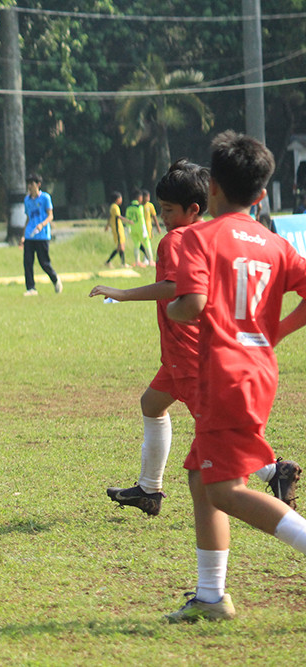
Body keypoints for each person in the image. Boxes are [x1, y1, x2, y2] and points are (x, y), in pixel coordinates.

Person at [90, 159, 300, 518]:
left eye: (168, 210)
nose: (164, 217)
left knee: (215, 431)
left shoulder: (176, 239)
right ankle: (148, 488)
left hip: (188, 353)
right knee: (151, 405)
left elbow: (173, 287)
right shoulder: (207, 236)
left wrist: (123, 293)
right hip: (180, 353)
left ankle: (272, 470)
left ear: (194, 209)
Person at [164, 130, 306, 622]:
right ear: (262, 195)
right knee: (199, 477)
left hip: (223, 375)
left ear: (213, 189)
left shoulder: (197, 237)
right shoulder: (274, 244)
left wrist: (176, 309)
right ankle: (210, 597)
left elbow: (192, 305)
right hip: (257, 371)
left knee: (224, 488)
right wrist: (276, 332)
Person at [21, 173, 62, 296]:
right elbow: (28, 218)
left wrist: (42, 225)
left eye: (32, 184)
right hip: (30, 235)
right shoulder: (27, 200)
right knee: (27, 262)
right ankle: (31, 288)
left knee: (43, 262)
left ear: (38, 185)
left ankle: (55, 279)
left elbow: (50, 216)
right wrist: (23, 235)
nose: (29, 186)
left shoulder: (45, 198)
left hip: (42, 235)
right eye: (28, 184)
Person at [124, 189, 153, 267]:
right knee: (147, 243)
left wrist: (128, 228)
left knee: (136, 245)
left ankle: (137, 261)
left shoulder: (128, 208)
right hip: (140, 228)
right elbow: (141, 219)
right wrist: (144, 230)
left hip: (133, 228)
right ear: (139, 197)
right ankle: (150, 260)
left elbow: (127, 218)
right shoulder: (139, 207)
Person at [103, 191, 128, 268]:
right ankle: (110, 262)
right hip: (117, 229)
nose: (121, 200)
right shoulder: (115, 207)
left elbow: (110, 217)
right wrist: (128, 220)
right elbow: (118, 216)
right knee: (120, 247)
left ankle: (122, 263)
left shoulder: (113, 207)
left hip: (118, 228)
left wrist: (107, 225)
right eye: (120, 198)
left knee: (121, 247)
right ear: (117, 199)